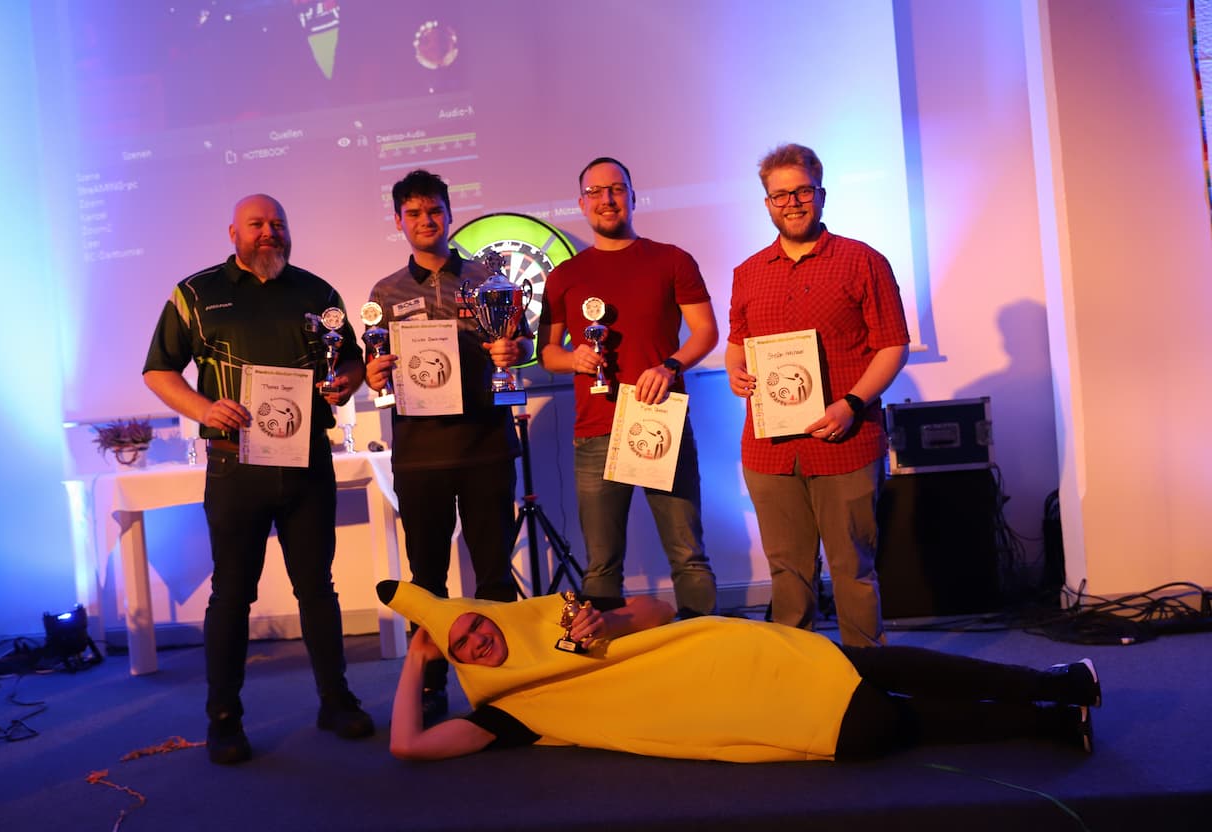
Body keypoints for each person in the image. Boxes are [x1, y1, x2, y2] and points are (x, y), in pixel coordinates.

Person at [142, 194, 374, 765]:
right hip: (235, 464)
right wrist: (204, 409)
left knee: (317, 588)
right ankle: (224, 718)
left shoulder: (319, 294)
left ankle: (336, 701)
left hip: (307, 461)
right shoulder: (195, 294)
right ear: (233, 233)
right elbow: (158, 370)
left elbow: (351, 360)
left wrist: (346, 382)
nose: (269, 232)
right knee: (232, 595)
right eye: (257, 224)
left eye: (278, 224)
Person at [378, 580, 1101, 762]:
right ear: (457, 660)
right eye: (461, 646)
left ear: (486, 613)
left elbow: (660, 609)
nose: (478, 642)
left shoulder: (560, 614)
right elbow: (408, 745)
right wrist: (415, 659)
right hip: (751, 712)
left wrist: (612, 625)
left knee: (885, 667)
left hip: (747, 655)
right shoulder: (506, 712)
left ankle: (1055, 689)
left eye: (474, 624)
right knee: (891, 719)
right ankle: (1051, 721)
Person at [726, 143, 911, 647]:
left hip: (845, 445)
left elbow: (893, 345)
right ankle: (800, 676)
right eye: (780, 195)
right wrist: (735, 373)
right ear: (767, 203)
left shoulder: (863, 261)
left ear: (821, 194)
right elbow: (737, 345)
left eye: (802, 191)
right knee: (787, 574)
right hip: (769, 450)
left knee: (853, 569)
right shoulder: (748, 272)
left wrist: (851, 405)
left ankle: (865, 675)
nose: (792, 203)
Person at [364, 169, 531, 722]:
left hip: (486, 447)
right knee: (427, 582)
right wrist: (375, 373)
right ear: (398, 221)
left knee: (494, 574)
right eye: (413, 213)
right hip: (420, 456)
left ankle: (506, 686)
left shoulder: (489, 279)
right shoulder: (384, 293)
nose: (425, 221)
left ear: (449, 213)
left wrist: (513, 351)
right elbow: (375, 365)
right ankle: (432, 685)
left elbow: (522, 343)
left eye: (434, 210)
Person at [537, 157, 718, 617]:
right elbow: (548, 353)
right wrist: (574, 358)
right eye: (595, 192)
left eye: (616, 189)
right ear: (581, 204)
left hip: (661, 421)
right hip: (595, 429)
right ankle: (607, 654)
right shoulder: (564, 276)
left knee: (689, 557)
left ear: (633, 197)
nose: (607, 199)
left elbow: (706, 332)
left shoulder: (672, 260)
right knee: (601, 566)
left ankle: (705, 648)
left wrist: (670, 366)